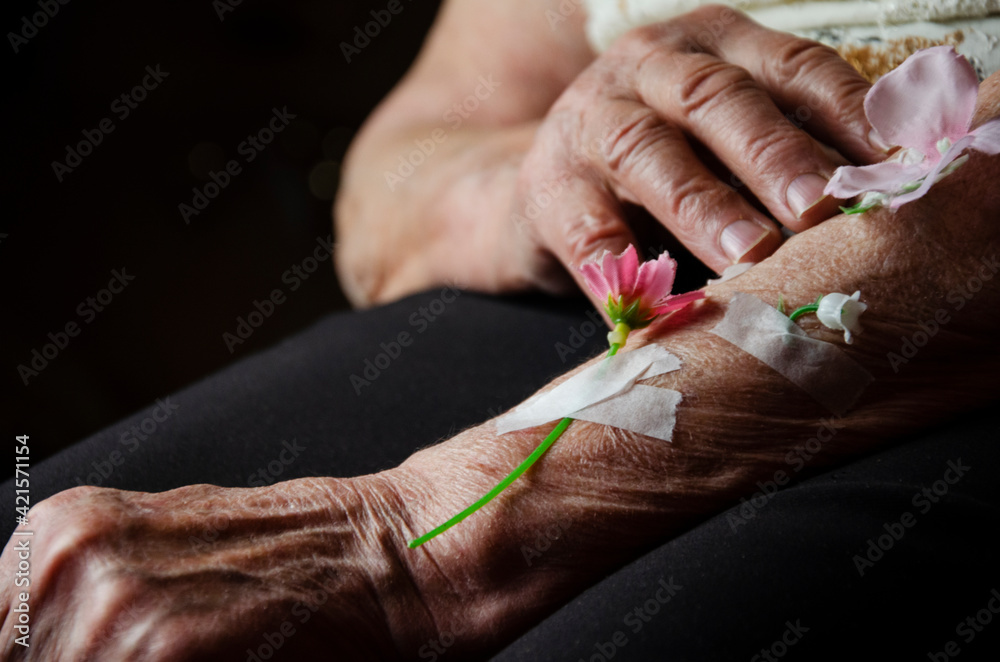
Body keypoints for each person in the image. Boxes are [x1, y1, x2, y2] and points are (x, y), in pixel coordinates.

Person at [3, 1, 1000, 660]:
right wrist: (559, 171)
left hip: (944, 353)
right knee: (50, 566)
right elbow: (401, 165)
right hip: (609, 294)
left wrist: (407, 546)